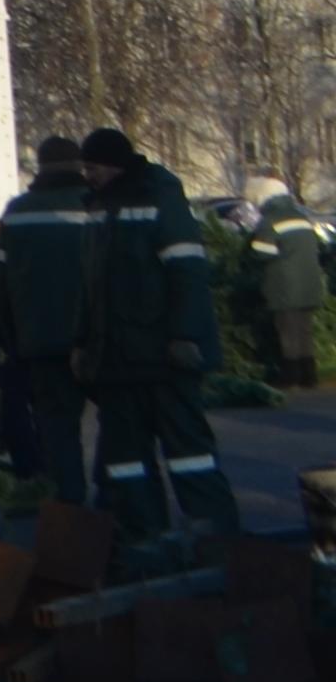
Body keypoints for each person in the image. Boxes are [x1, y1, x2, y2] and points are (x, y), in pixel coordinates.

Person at [75, 126, 241, 538]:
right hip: (118, 359)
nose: (87, 176)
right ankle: (145, 539)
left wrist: (183, 336)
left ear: (112, 165)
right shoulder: (98, 208)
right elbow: (90, 286)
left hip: (163, 357)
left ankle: (214, 538)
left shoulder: (160, 198)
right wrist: (82, 343)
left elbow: (188, 273)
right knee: (126, 460)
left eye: (92, 167)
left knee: (189, 453)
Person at [0, 135, 102, 502]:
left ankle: (71, 515)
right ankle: (119, 511)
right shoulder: (98, 207)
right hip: (101, 341)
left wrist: (13, 338)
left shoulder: (18, 210)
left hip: (40, 341)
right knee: (120, 428)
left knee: (58, 432)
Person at [252, 190, 326, 390]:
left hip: (284, 285)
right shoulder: (301, 217)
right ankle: (309, 375)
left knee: (287, 331)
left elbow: (261, 253)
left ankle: (290, 375)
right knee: (304, 330)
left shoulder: (270, 220)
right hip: (309, 283)